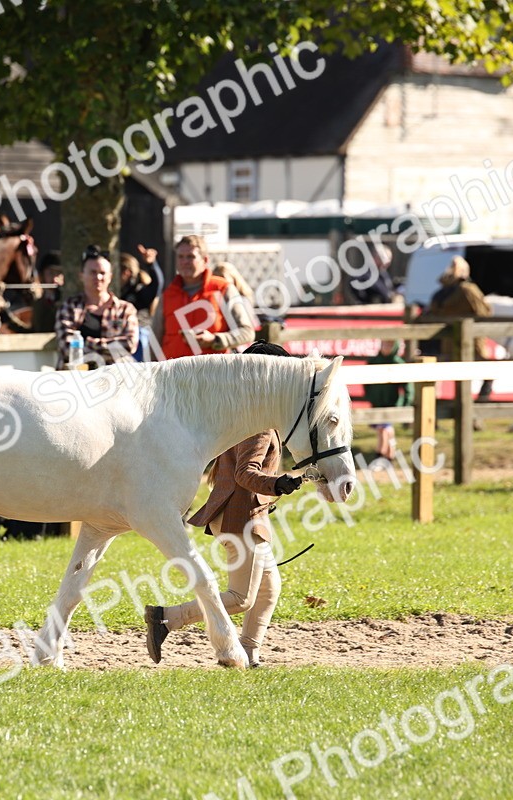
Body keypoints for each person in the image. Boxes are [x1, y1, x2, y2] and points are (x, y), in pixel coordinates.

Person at [144, 341, 305, 667]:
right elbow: (247, 473)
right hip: (241, 517)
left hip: (242, 513)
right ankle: (167, 618)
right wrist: (277, 484)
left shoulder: (239, 411)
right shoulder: (258, 422)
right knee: (242, 598)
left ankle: (247, 651)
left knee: (269, 590)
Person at [151, 235, 254, 359]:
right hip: (173, 374)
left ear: (205, 260)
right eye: (180, 257)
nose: (184, 262)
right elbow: (155, 341)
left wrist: (215, 340)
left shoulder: (224, 289)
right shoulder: (167, 295)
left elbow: (247, 332)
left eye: (191, 257)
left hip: (213, 373)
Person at [423, 256, 495, 400]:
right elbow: (485, 312)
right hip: (471, 343)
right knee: (488, 372)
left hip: (448, 343)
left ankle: (433, 412)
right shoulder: (468, 290)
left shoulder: (441, 293)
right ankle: (480, 405)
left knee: (439, 376)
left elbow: (432, 312)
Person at [54, 245, 138, 367]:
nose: (98, 277)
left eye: (102, 273)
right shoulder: (69, 307)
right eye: (93, 272)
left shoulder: (125, 309)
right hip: (77, 379)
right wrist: (111, 348)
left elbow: (130, 345)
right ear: (81, 275)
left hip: (114, 379)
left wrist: (88, 343)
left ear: (110, 276)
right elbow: (67, 347)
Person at [364, 339, 414, 460]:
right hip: (377, 402)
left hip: (392, 402)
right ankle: (389, 454)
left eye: (390, 345)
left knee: (385, 428)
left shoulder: (397, 363)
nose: (386, 347)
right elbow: (366, 382)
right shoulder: (373, 362)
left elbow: (408, 386)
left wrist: (406, 402)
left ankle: (381, 454)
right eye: (384, 344)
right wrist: (370, 396)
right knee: (385, 430)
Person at [30, 251, 64, 334]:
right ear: (42, 276)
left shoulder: (68, 300)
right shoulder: (38, 303)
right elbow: (35, 331)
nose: (55, 278)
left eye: (58, 273)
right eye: (51, 273)